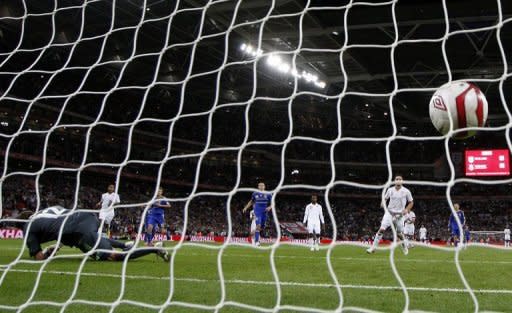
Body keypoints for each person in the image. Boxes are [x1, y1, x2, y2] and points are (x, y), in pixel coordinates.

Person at [21, 206, 169, 261]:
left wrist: (47, 253)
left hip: (77, 230)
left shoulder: (28, 226)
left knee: (112, 257)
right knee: (79, 239)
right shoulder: (43, 212)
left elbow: (39, 257)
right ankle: (125, 244)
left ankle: (154, 248)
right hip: (85, 217)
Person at [366, 175, 413, 255]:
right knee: (381, 229)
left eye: (400, 179)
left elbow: (411, 202)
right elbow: (385, 199)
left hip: (399, 216)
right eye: (397, 179)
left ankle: (404, 246)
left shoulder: (406, 191)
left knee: (399, 234)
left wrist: (406, 209)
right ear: (394, 181)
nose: (398, 180)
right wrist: (382, 203)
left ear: (402, 181)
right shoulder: (390, 190)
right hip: (389, 213)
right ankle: (373, 248)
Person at [242, 182, 272, 246]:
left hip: (264, 212)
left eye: (262, 186)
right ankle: (256, 242)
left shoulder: (269, 194)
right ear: (258, 187)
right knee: (258, 225)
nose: (261, 187)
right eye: (260, 186)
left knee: (262, 227)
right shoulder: (255, 194)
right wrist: (245, 207)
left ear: (264, 187)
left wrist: (270, 207)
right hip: (257, 212)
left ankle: (255, 233)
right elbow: (251, 201)